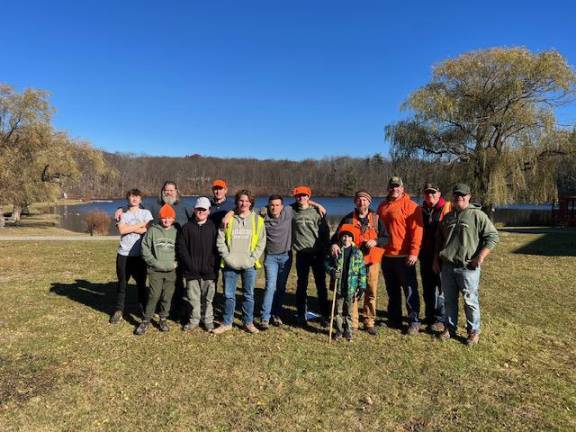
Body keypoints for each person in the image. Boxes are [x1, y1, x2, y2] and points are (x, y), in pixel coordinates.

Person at [434, 183, 499, 345]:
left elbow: (492, 236)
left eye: (463, 195)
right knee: (449, 300)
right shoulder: (448, 217)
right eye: (456, 195)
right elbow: (439, 241)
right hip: (448, 266)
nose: (459, 198)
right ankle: (450, 328)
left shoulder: (478, 215)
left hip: (468, 268)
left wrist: (480, 257)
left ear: (469, 197)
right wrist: (436, 260)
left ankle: (473, 331)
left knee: (470, 301)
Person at [330, 190, 388, 335]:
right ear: (355, 202)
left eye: (365, 200)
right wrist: (335, 244)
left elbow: (386, 238)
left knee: (371, 291)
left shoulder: (376, 218)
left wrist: (375, 241)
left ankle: (369, 321)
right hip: (354, 261)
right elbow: (337, 237)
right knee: (353, 290)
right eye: (359, 200)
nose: (362, 203)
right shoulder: (348, 219)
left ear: (369, 202)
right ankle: (353, 322)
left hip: (372, 260)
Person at [213, 190, 266, 334]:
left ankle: (248, 323)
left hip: (249, 264)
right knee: (229, 295)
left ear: (251, 203)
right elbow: (220, 240)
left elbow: (261, 242)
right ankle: (227, 322)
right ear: (237, 202)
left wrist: (252, 258)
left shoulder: (258, 220)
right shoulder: (228, 219)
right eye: (241, 200)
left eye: (247, 201)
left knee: (249, 295)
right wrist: (227, 257)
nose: (244, 203)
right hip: (230, 264)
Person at [376, 176, 424, 335]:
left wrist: (414, 252)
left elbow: (417, 231)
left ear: (402, 188)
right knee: (392, 290)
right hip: (387, 256)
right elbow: (376, 230)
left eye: (397, 186)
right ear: (388, 188)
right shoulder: (382, 206)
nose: (394, 189)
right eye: (392, 186)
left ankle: (414, 321)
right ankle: (394, 318)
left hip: (404, 256)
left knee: (410, 290)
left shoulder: (411, 206)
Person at [110, 189, 153, 324]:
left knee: (141, 283)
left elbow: (147, 229)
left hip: (140, 255)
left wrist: (130, 227)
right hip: (124, 254)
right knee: (122, 283)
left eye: (137, 197)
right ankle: (119, 310)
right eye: (132, 197)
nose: (134, 199)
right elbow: (122, 230)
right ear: (128, 199)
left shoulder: (145, 213)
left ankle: (144, 309)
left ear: (141, 200)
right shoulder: (122, 214)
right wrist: (139, 225)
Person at [177, 197, 219, 332]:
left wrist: (212, 265)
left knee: (208, 298)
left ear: (208, 211)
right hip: (191, 271)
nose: (201, 211)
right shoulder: (187, 227)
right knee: (193, 298)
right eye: (198, 209)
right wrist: (190, 265)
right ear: (194, 210)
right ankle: (194, 320)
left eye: (203, 209)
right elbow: (181, 248)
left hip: (209, 270)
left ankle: (208, 320)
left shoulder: (213, 227)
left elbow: (217, 249)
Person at [136, 204, 178, 335]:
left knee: (167, 295)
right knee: (154, 295)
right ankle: (146, 320)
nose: (166, 220)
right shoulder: (153, 231)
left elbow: (181, 249)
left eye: (169, 218)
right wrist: (153, 262)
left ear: (173, 219)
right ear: (160, 218)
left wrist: (176, 263)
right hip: (155, 271)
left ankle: (163, 318)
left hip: (171, 270)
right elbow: (145, 247)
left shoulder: (176, 232)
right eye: (164, 218)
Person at [292, 185, 331, 327]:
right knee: (302, 285)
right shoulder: (291, 210)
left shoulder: (317, 212)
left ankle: (325, 315)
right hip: (302, 254)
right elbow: (274, 208)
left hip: (318, 254)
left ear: (309, 196)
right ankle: (301, 314)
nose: (301, 198)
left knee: (321, 285)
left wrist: (327, 250)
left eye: (304, 195)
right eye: (298, 195)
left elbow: (326, 232)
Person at [419, 183, 451, 332]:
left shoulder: (447, 208)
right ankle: (429, 315)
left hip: (441, 255)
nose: (430, 196)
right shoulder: (421, 210)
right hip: (425, 255)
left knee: (442, 288)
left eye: (433, 193)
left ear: (439, 195)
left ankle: (441, 319)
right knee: (427, 287)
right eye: (427, 194)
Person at [325, 224, 366, 341]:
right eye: (344, 236)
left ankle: (348, 330)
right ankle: (338, 330)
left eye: (348, 236)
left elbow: (362, 270)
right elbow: (326, 263)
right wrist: (332, 271)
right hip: (339, 286)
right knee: (338, 311)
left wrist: (362, 286)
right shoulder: (336, 250)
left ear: (352, 238)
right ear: (340, 237)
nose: (346, 239)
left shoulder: (357, 252)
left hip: (351, 287)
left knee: (349, 311)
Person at [114, 181, 193, 228]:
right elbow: (137, 205)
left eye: (171, 190)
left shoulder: (186, 207)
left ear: (176, 191)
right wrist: (121, 209)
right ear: (162, 192)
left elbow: (197, 218)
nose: (169, 193)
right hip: (158, 244)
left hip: (178, 243)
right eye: (166, 190)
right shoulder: (154, 205)